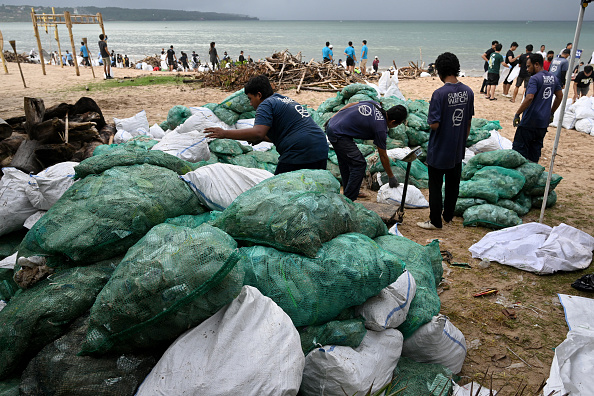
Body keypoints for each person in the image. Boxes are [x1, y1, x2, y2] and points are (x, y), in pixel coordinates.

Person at [204, 75, 328, 174]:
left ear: (259, 95)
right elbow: (285, 133)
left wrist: (224, 133)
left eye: (250, 99)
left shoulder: (265, 104)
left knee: (281, 190)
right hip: (320, 147)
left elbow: (258, 132)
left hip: (300, 150)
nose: (251, 104)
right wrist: (263, 138)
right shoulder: (282, 100)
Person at [417, 52, 474, 230]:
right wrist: (461, 141)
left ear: (440, 72)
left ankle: (435, 221)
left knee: (435, 186)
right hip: (457, 149)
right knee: (452, 185)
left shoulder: (439, 94)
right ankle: (448, 215)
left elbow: (434, 124)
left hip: (439, 148)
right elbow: (468, 121)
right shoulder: (468, 92)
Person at [326, 102, 406, 202]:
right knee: (359, 164)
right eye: (397, 124)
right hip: (338, 134)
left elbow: (351, 104)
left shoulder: (374, 104)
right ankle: (348, 200)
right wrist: (391, 176)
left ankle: (349, 191)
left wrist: (334, 117)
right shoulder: (381, 128)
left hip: (335, 125)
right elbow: (383, 155)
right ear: (393, 121)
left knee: (346, 162)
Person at [512, 53, 563, 163]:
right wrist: (551, 112)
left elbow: (529, 97)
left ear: (536, 64)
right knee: (535, 151)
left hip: (530, 121)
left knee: (519, 151)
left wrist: (517, 114)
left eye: (528, 66)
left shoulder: (535, 79)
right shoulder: (553, 78)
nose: (527, 69)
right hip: (542, 123)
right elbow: (559, 96)